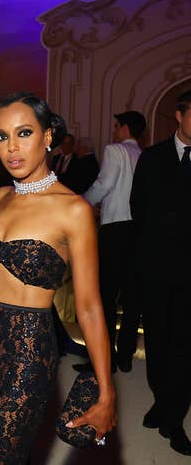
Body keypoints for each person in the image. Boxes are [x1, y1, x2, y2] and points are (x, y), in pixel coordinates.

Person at [0, 91, 116, 464]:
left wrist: (107, 393)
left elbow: (89, 307)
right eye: (1, 136)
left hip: (24, 350)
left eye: (23, 133)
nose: (12, 147)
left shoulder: (74, 210)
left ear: (48, 136)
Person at [131, 90, 191, 456]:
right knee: (156, 342)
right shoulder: (151, 158)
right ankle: (160, 400)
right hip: (155, 269)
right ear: (179, 115)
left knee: (184, 348)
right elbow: (140, 209)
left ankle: (173, 418)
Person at [74, 111, 145, 374]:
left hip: (114, 230)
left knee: (104, 297)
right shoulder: (144, 155)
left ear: (125, 128)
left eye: (117, 126)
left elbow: (104, 184)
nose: (114, 131)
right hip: (137, 232)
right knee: (131, 297)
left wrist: (81, 203)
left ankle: (102, 361)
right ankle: (125, 356)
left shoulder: (115, 150)